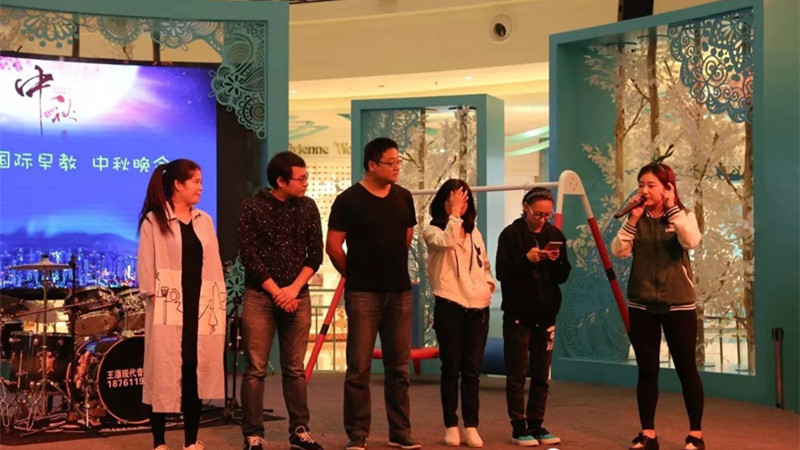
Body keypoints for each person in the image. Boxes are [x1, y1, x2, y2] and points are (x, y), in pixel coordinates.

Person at [326, 137, 420, 450]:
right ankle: (357, 434)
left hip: (399, 291)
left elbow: (406, 237)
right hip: (363, 293)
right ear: (372, 165)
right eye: (391, 162)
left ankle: (400, 431)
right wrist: (354, 274)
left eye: (398, 162)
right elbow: (333, 246)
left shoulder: (404, 197)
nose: (397, 167)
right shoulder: (348, 200)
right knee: (359, 367)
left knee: (399, 367)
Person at [611, 163, 704, 450]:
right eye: (641, 185)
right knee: (647, 370)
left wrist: (673, 209)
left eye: (651, 185)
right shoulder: (637, 218)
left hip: (678, 304)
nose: (644, 190)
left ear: (667, 188)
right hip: (641, 304)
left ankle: (696, 435)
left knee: (686, 369)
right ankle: (648, 434)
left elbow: (692, 241)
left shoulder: (683, 215)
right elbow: (619, 251)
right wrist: (633, 219)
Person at [137, 159, 227, 450]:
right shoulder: (155, 220)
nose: (201, 187)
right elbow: (146, 268)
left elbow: (213, 264)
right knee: (163, 370)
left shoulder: (204, 220)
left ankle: (191, 439)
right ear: (177, 184)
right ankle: (159, 441)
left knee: (193, 369)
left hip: (201, 307)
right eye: (195, 181)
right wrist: (154, 297)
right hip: (168, 308)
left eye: (201, 182)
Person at [237, 151, 324, 450]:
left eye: (306, 177)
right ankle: (253, 434)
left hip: (298, 296)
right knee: (255, 369)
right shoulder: (252, 207)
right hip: (260, 296)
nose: (306, 183)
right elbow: (249, 255)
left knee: (295, 369)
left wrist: (293, 289)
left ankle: (300, 431)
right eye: (301, 179)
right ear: (280, 181)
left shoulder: (308, 207)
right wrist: (277, 292)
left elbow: (315, 254)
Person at [422, 179, 495, 448]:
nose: (460, 206)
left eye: (464, 201)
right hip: (449, 304)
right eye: (454, 200)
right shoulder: (432, 230)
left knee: (473, 370)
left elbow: (484, 263)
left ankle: (471, 425)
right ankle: (451, 424)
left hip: (478, 307)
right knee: (451, 368)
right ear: (444, 202)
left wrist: (488, 284)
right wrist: (454, 214)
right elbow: (447, 242)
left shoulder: (475, 233)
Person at [496, 187, 571, 447]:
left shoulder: (555, 235)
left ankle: (537, 424)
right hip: (518, 315)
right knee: (517, 373)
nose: (542, 219)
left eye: (547, 214)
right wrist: (526, 260)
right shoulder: (511, 234)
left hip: (546, 314)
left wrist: (556, 260)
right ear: (525, 208)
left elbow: (562, 276)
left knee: (541, 374)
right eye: (538, 214)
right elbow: (502, 273)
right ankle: (519, 427)